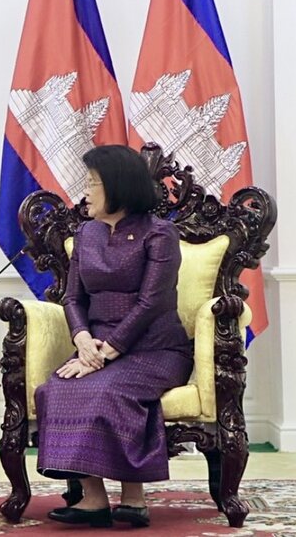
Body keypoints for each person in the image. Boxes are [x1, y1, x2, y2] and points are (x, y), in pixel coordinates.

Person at [34, 145, 193, 529]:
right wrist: (83, 340)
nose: (85, 192)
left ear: (118, 188)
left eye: (93, 184)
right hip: (97, 345)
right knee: (56, 388)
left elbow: (152, 302)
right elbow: (72, 297)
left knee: (108, 391)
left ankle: (134, 499)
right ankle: (95, 499)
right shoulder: (86, 234)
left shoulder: (160, 234)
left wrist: (108, 352)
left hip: (155, 348)